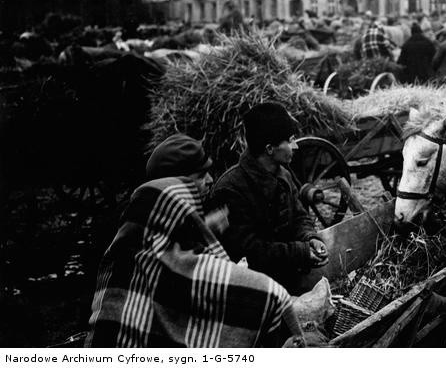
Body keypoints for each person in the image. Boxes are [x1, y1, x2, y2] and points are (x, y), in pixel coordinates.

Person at [85, 134, 305, 347]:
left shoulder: (138, 225)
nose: (210, 180)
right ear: (177, 184)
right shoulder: (147, 250)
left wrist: (204, 228)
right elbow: (266, 294)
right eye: (201, 175)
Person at [211, 103, 328, 294]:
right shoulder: (231, 189)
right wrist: (300, 252)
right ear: (270, 149)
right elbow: (250, 251)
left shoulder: (284, 175)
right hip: (253, 290)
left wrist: (310, 237)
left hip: (288, 281)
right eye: (289, 141)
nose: (295, 146)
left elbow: (299, 216)